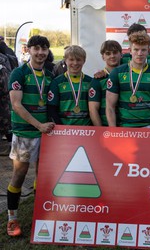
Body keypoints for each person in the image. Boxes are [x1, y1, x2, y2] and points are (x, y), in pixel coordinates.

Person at [6, 35, 55, 237]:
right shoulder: (19, 73)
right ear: (29, 50)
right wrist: (38, 125)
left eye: (44, 48)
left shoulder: (50, 74)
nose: (40, 52)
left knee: (42, 176)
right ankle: (12, 219)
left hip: (46, 133)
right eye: (36, 48)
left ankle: (39, 214)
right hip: (26, 132)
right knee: (19, 174)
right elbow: (16, 105)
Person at [106, 31, 150, 128]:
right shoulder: (117, 73)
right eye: (136, 49)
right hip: (126, 126)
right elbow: (110, 106)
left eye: (143, 50)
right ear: (130, 50)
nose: (139, 53)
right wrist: (113, 132)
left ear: (148, 51)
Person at [47, 45, 92, 125]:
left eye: (78, 60)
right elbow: (52, 109)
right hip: (65, 130)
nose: (75, 63)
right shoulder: (57, 82)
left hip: (87, 131)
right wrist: (62, 129)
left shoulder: (90, 82)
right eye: (71, 59)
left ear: (84, 61)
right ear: (65, 60)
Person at [89, 40, 122, 126]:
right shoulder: (97, 80)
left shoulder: (128, 76)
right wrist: (101, 131)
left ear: (121, 54)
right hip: (106, 127)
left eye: (115, 52)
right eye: (108, 53)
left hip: (127, 126)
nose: (112, 56)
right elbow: (93, 110)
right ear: (103, 57)